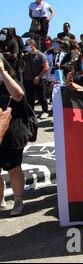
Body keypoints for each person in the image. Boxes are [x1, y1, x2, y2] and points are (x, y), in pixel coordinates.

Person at [0, 55, 28, 216]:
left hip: (12, 133)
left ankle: (18, 200)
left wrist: (3, 73)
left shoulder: (12, 82)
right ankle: (1, 200)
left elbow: (18, 95)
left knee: (13, 168)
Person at [22, 39, 50, 118]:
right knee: (30, 97)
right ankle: (31, 113)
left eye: (28, 46)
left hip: (40, 79)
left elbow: (46, 67)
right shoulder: (26, 55)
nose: (27, 48)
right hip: (28, 79)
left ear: (32, 46)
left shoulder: (41, 55)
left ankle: (45, 111)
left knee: (41, 96)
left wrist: (38, 76)